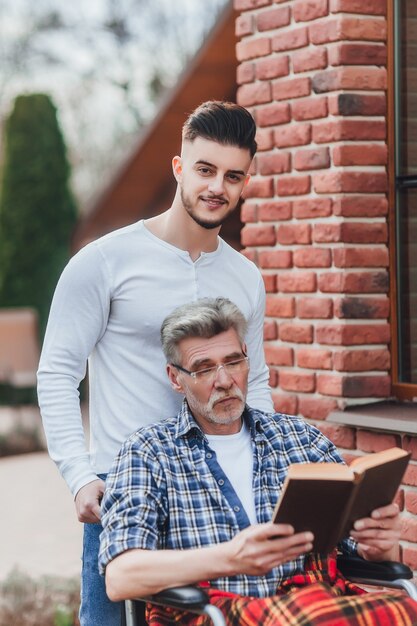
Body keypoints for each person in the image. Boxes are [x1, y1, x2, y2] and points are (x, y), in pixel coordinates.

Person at [37, 101, 274, 625]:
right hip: (122, 494)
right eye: (205, 169)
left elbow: (253, 388)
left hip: (213, 494)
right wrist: (78, 475)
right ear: (178, 168)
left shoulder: (245, 277)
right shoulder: (103, 262)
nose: (217, 187)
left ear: (246, 180)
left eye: (233, 176)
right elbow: (56, 372)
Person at [99, 297, 417, 626]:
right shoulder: (148, 452)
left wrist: (381, 545)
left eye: (233, 361)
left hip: (312, 605)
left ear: (247, 361)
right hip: (213, 612)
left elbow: (362, 552)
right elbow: (120, 578)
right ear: (175, 378)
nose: (224, 381)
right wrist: (229, 558)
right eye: (204, 368)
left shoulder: (300, 439)